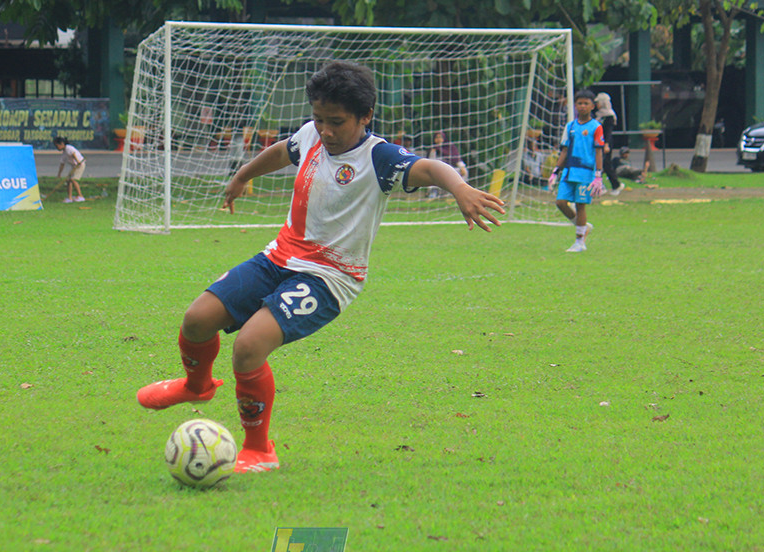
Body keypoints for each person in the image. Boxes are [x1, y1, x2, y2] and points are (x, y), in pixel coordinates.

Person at [135, 61, 505, 473]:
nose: (325, 130)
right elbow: (283, 151)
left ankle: (259, 450)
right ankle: (197, 386)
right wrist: (242, 175)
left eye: (337, 122)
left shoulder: (379, 157)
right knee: (197, 319)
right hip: (278, 257)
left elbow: (431, 168)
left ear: (365, 116)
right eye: (319, 119)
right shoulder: (312, 135)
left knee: (248, 346)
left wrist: (460, 189)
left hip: (330, 277)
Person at [548, 89, 604, 253]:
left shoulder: (596, 127)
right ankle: (583, 226)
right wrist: (555, 171)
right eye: (579, 103)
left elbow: (599, 152)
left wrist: (598, 175)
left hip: (585, 173)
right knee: (560, 202)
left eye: (586, 103)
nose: (582, 106)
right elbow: (564, 150)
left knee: (580, 205)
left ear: (592, 106)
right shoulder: (570, 126)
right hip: (568, 172)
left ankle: (580, 242)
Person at [594, 92, 623, 195]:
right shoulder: (598, 115)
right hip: (599, 141)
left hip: (606, 142)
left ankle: (613, 185)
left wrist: (606, 144)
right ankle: (608, 185)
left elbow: (608, 131)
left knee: (604, 163)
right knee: (603, 164)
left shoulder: (609, 115)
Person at [426, 130, 468, 198]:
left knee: (464, 172)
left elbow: (456, 158)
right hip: (438, 169)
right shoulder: (433, 149)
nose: (438, 139)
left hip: (451, 168)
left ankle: (461, 191)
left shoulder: (450, 147)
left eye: (440, 137)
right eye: (436, 137)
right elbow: (430, 162)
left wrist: (462, 167)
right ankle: (433, 191)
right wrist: (433, 152)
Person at [53, 136, 86, 203]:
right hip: (74, 166)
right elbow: (62, 164)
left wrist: (77, 161)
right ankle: (69, 198)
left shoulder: (68, 148)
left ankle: (80, 196)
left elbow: (73, 154)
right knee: (68, 180)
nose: (57, 148)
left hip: (79, 165)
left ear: (62, 144)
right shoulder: (64, 153)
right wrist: (59, 174)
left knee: (73, 180)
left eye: (57, 146)